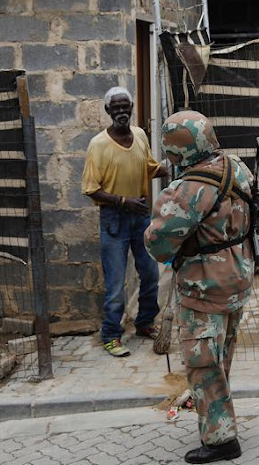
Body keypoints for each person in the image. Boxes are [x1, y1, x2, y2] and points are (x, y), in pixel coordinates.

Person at [145, 110, 254, 464]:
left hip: (204, 286)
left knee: (203, 362)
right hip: (238, 277)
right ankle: (216, 413)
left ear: (182, 150)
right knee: (221, 354)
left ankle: (221, 440)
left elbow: (158, 242)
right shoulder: (236, 168)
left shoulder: (187, 189)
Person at [81, 86, 168, 357]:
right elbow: (90, 189)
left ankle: (144, 323)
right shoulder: (98, 145)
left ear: (131, 107)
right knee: (116, 283)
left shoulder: (140, 135)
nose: (121, 111)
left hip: (141, 215)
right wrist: (122, 201)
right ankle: (111, 335)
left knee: (151, 274)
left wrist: (179, 163)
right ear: (108, 111)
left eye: (125, 106)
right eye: (115, 107)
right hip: (114, 219)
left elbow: (151, 168)